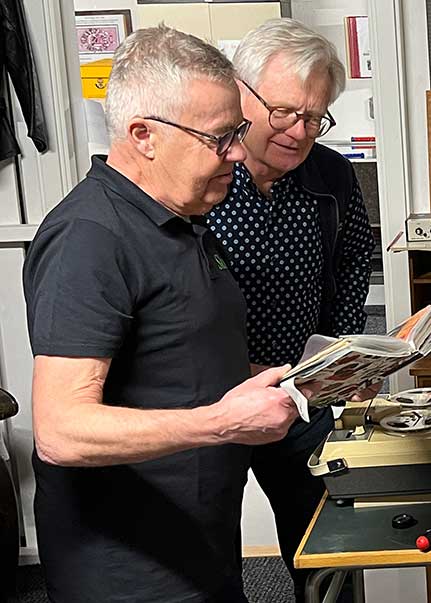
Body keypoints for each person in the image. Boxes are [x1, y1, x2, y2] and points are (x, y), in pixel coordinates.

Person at [23, 26, 299, 602]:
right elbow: (61, 431)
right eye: (219, 138)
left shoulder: (184, 219)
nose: (237, 153)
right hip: (131, 572)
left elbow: (179, 358)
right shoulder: (89, 238)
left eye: (238, 132)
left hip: (200, 543)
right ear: (143, 135)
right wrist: (221, 423)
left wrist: (287, 380)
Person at [205, 18, 377, 597]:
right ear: (241, 93)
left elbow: (354, 257)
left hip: (303, 396)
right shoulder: (201, 178)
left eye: (314, 117)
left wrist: (344, 350)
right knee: (208, 557)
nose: (299, 132)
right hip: (215, 400)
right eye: (283, 112)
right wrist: (233, 372)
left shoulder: (330, 174)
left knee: (326, 549)